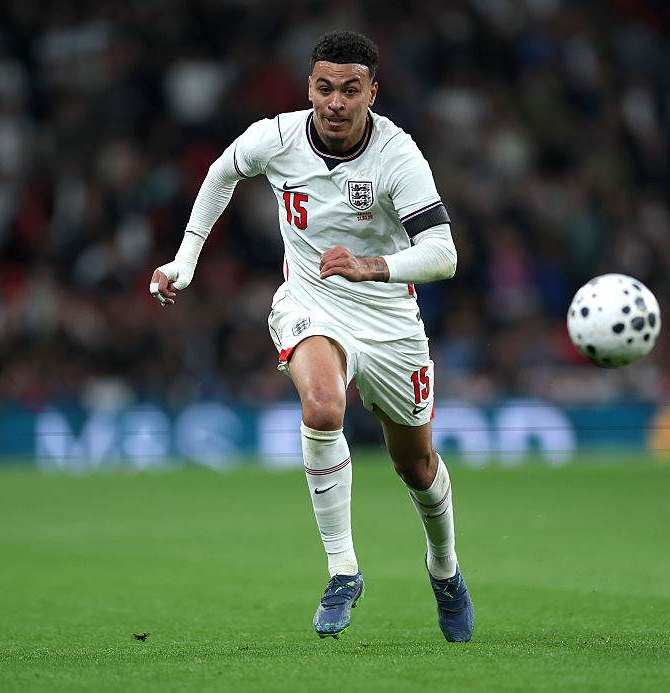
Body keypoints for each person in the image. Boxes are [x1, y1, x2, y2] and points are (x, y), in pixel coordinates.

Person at [150, 30, 473, 642]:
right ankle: (342, 570)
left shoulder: (397, 155)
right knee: (323, 408)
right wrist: (185, 259)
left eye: (350, 90)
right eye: (325, 88)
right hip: (310, 301)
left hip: (388, 320)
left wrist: (371, 265)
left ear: (372, 93)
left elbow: (444, 253)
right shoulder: (275, 137)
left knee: (417, 465)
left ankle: (444, 568)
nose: (335, 102)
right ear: (310, 88)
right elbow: (222, 172)